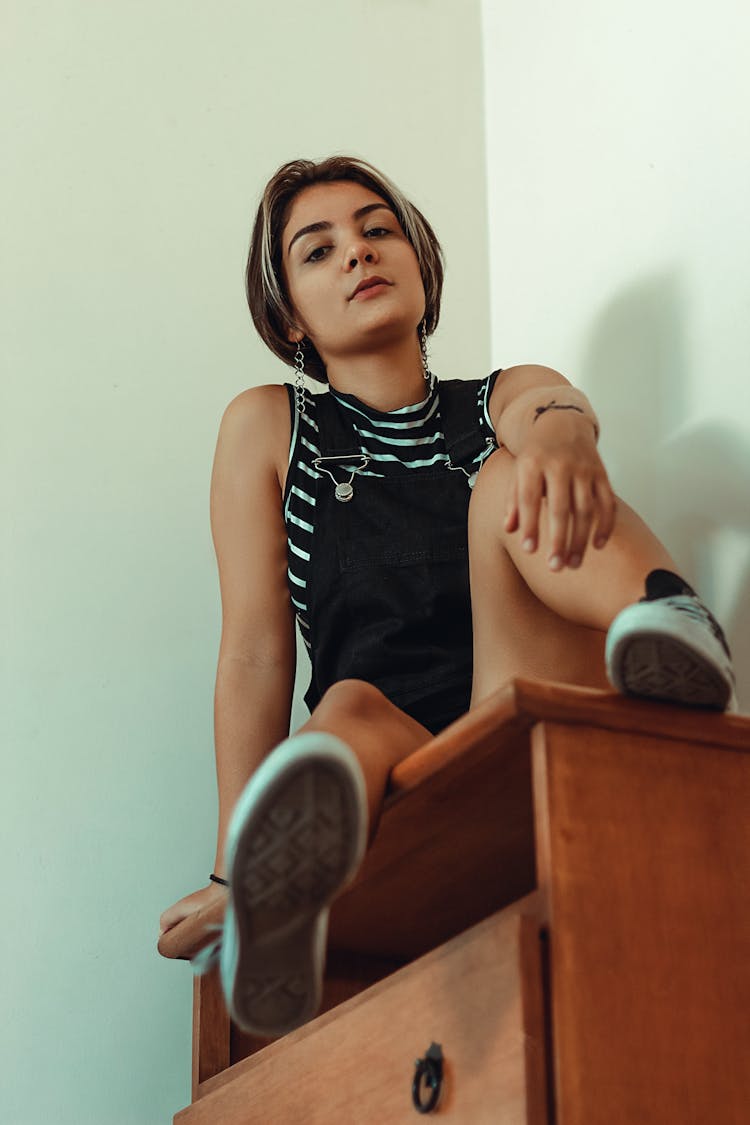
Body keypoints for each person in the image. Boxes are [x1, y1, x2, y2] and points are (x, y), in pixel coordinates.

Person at [159, 155, 736, 1037]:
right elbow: (252, 653)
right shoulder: (271, 426)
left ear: (422, 266)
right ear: (288, 317)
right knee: (348, 703)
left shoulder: (495, 401)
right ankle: (280, 899)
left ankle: (667, 617)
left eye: (378, 230)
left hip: (508, 715)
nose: (358, 253)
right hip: (392, 770)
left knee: (508, 477)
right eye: (320, 250)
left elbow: (549, 401)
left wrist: (564, 436)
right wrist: (229, 869)